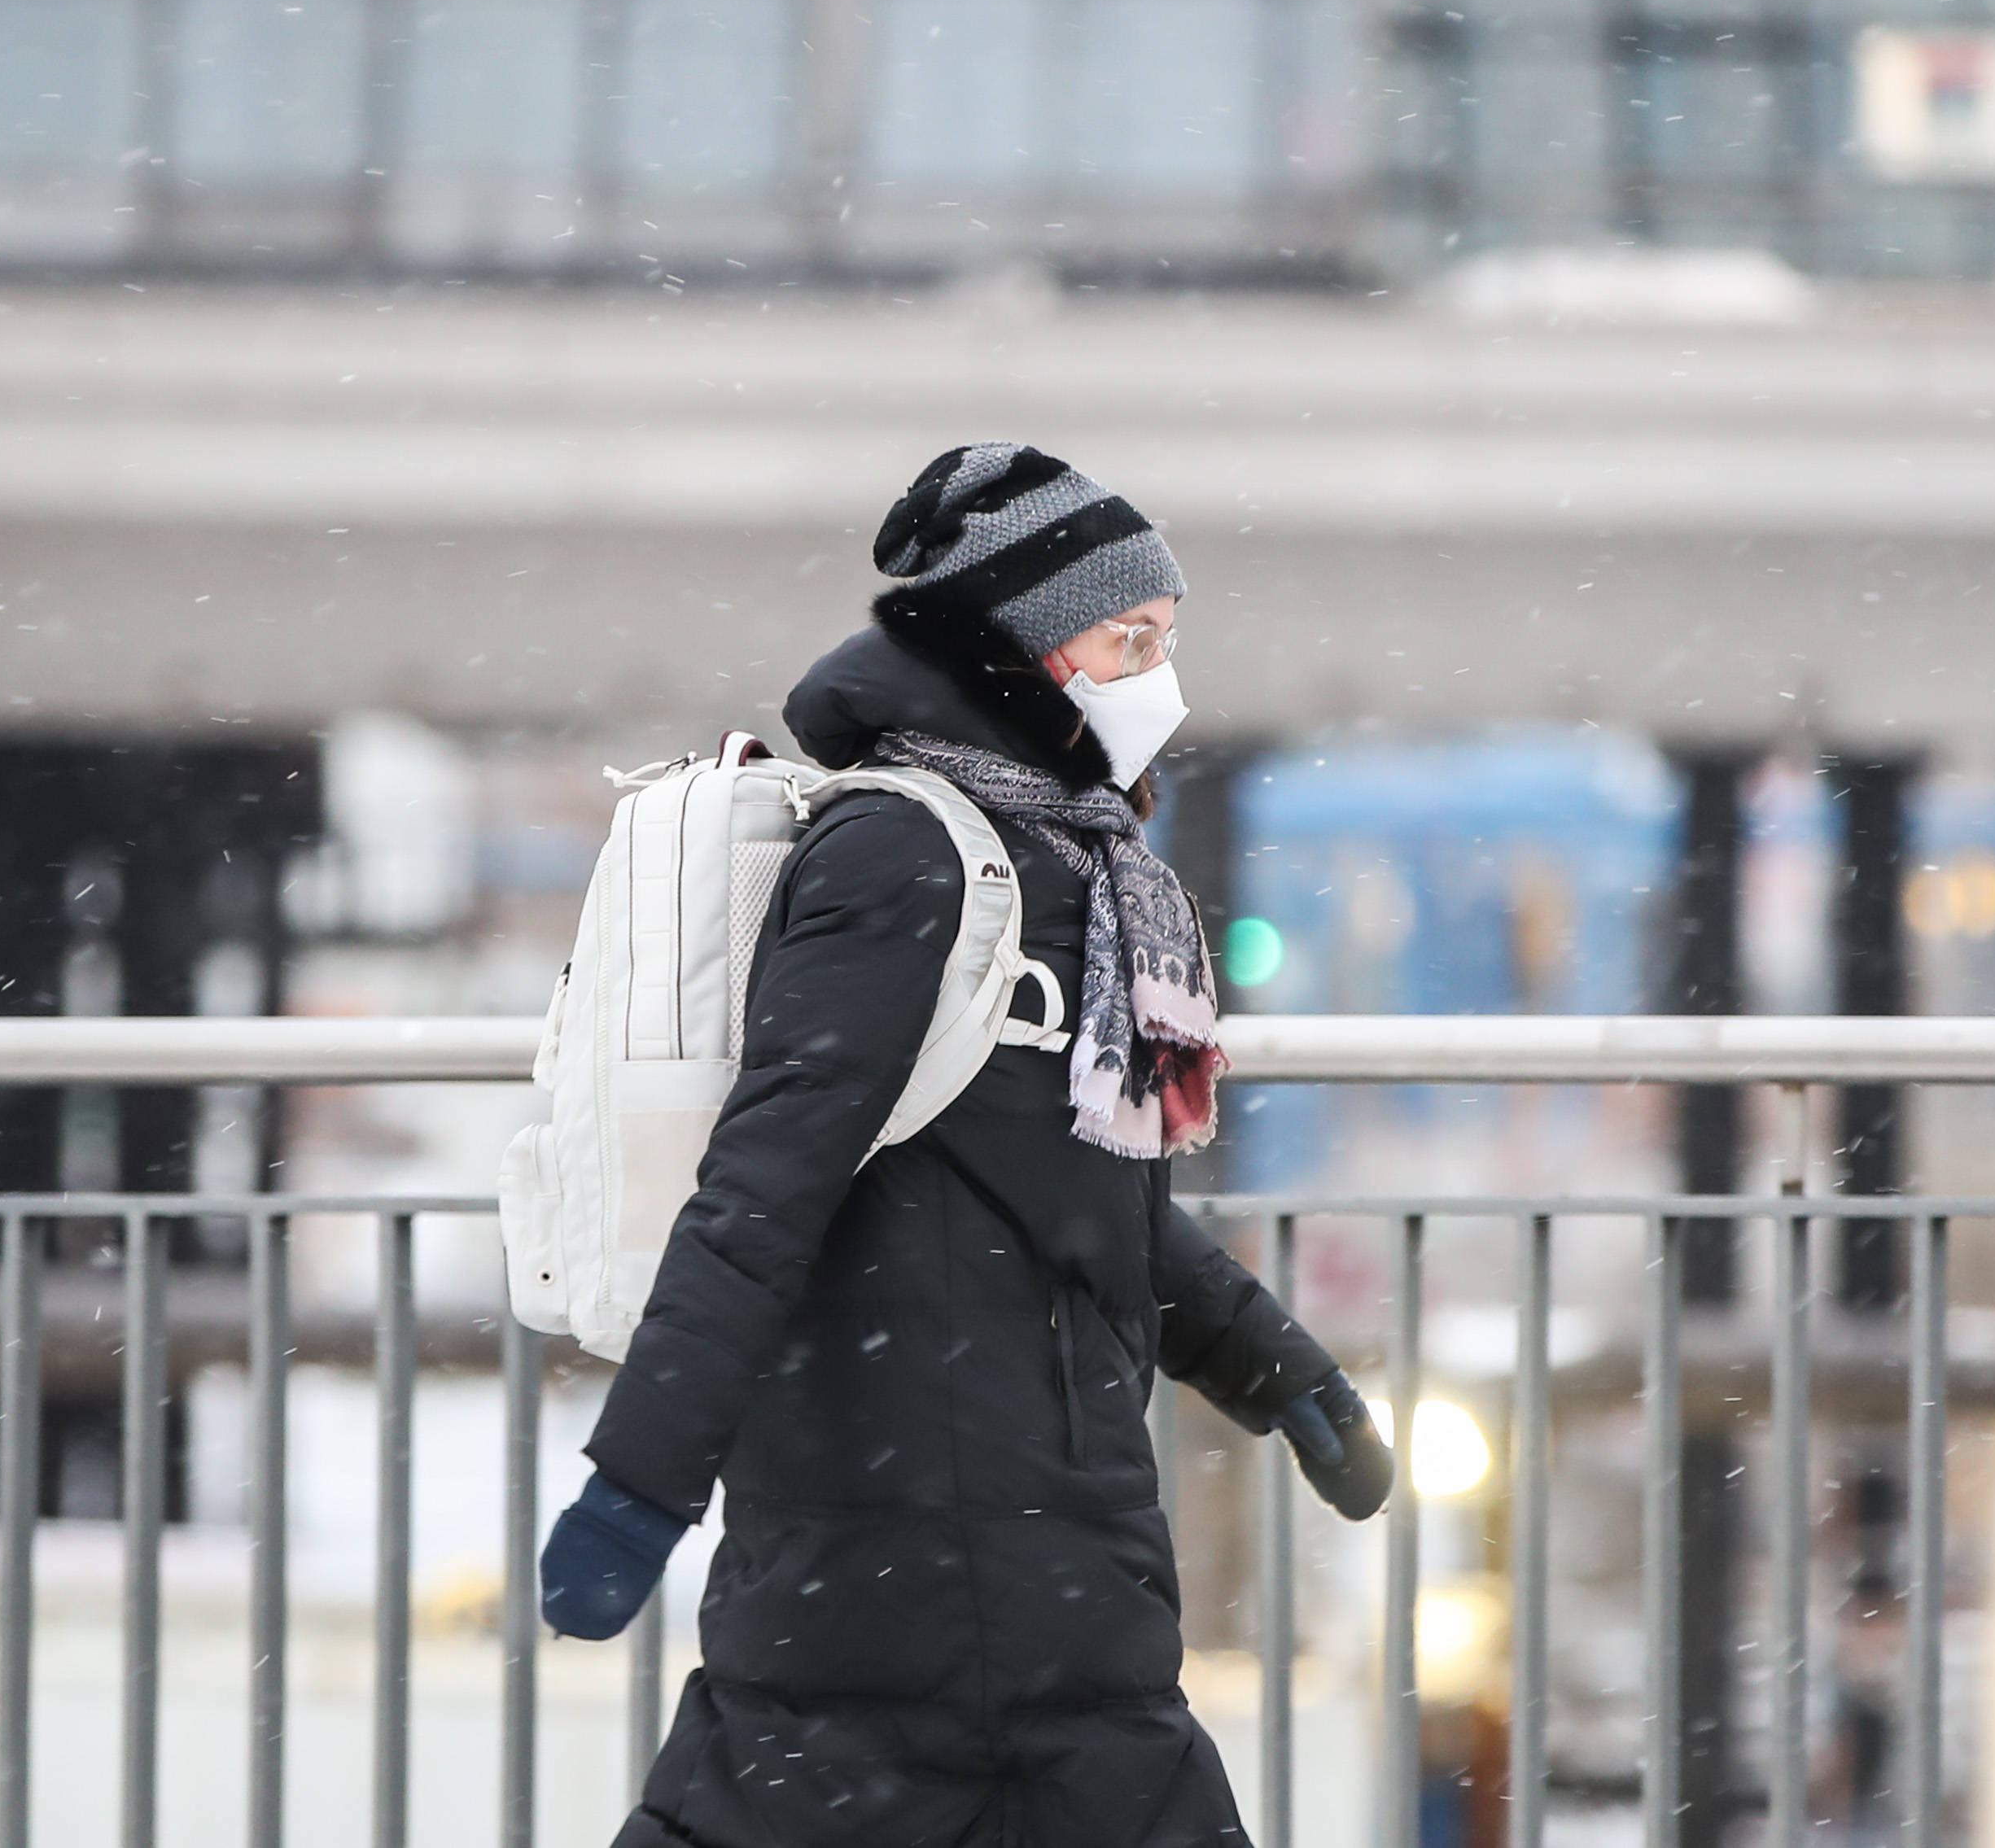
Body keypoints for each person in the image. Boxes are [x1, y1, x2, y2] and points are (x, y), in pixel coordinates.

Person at [537, 443, 1393, 1848]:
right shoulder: (907, 856)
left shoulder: (1068, 865)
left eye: (1164, 641)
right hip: (912, 1523)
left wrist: (1277, 1371)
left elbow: (1066, 1187)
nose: (1156, 676)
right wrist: (638, 1485)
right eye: (1130, 640)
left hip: (1027, 1519)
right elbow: (765, 1184)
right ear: (1025, 649)